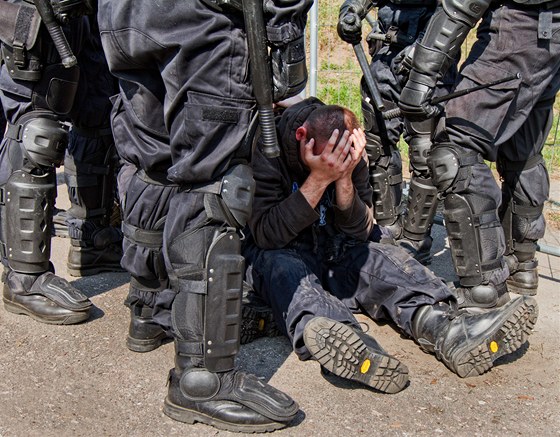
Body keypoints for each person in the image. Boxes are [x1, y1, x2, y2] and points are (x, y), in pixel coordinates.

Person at [97, 0, 313, 432]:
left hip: (123, 15)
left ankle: (151, 310)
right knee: (216, 184)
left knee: (152, 163)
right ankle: (203, 378)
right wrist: (285, 29)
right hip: (203, 17)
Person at [242, 97, 538, 392]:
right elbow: (268, 235)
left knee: (383, 256)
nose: (335, 164)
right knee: (284, 269)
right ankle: (345, 339)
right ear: (301, 138)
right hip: (285, 252)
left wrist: (343, 177)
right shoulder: (269, 148)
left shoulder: (349, 150)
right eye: (328, 160)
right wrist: (319, 179)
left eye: (342, 160)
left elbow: (361, 230)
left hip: (335, 250)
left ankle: (449, 330)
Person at [398, 0, 559, 305]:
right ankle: (520, 265)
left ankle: (483, 289)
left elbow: (460, 4)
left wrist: (422, 75)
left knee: (454, 147)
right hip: (546, 29)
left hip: (519, 26)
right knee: (522, 149)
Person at [0, 0, 122, 325]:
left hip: (89, 8)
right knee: (37, 128)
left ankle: (92, 240)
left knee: (98, 112)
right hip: (38, 10)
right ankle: (23, 279)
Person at [336, 0, 459, 264]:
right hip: (385, 51)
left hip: (433, 54)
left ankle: (415, 239)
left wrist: (428, 50)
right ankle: (386, 227)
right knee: (375, 143)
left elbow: (461, 8)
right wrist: (351, 11)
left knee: (426, 151)